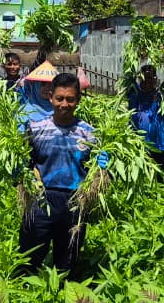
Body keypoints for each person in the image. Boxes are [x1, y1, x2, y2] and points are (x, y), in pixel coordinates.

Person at [18, 71, 105, 277]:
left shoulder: (89, 133)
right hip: (41, 200)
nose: (64, 104)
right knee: (28, 259)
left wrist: (104, 167)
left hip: (74, 202)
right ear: (50, 97)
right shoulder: (35, 128)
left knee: (67, 265)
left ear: (78, 100)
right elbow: (25, 162)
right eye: (59, 98)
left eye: (70, 99)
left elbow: (96, 169)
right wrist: (18, 169)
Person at [126, 55, 164, 169]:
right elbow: (128, 76)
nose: (147, 80)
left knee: (158, 181)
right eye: (145, 77)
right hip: (137, 146)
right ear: (139, 78)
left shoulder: (161, 95)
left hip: (158, 147)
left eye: (151, 77)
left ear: (156, 79)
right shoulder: (134, 93)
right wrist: (136, 54)